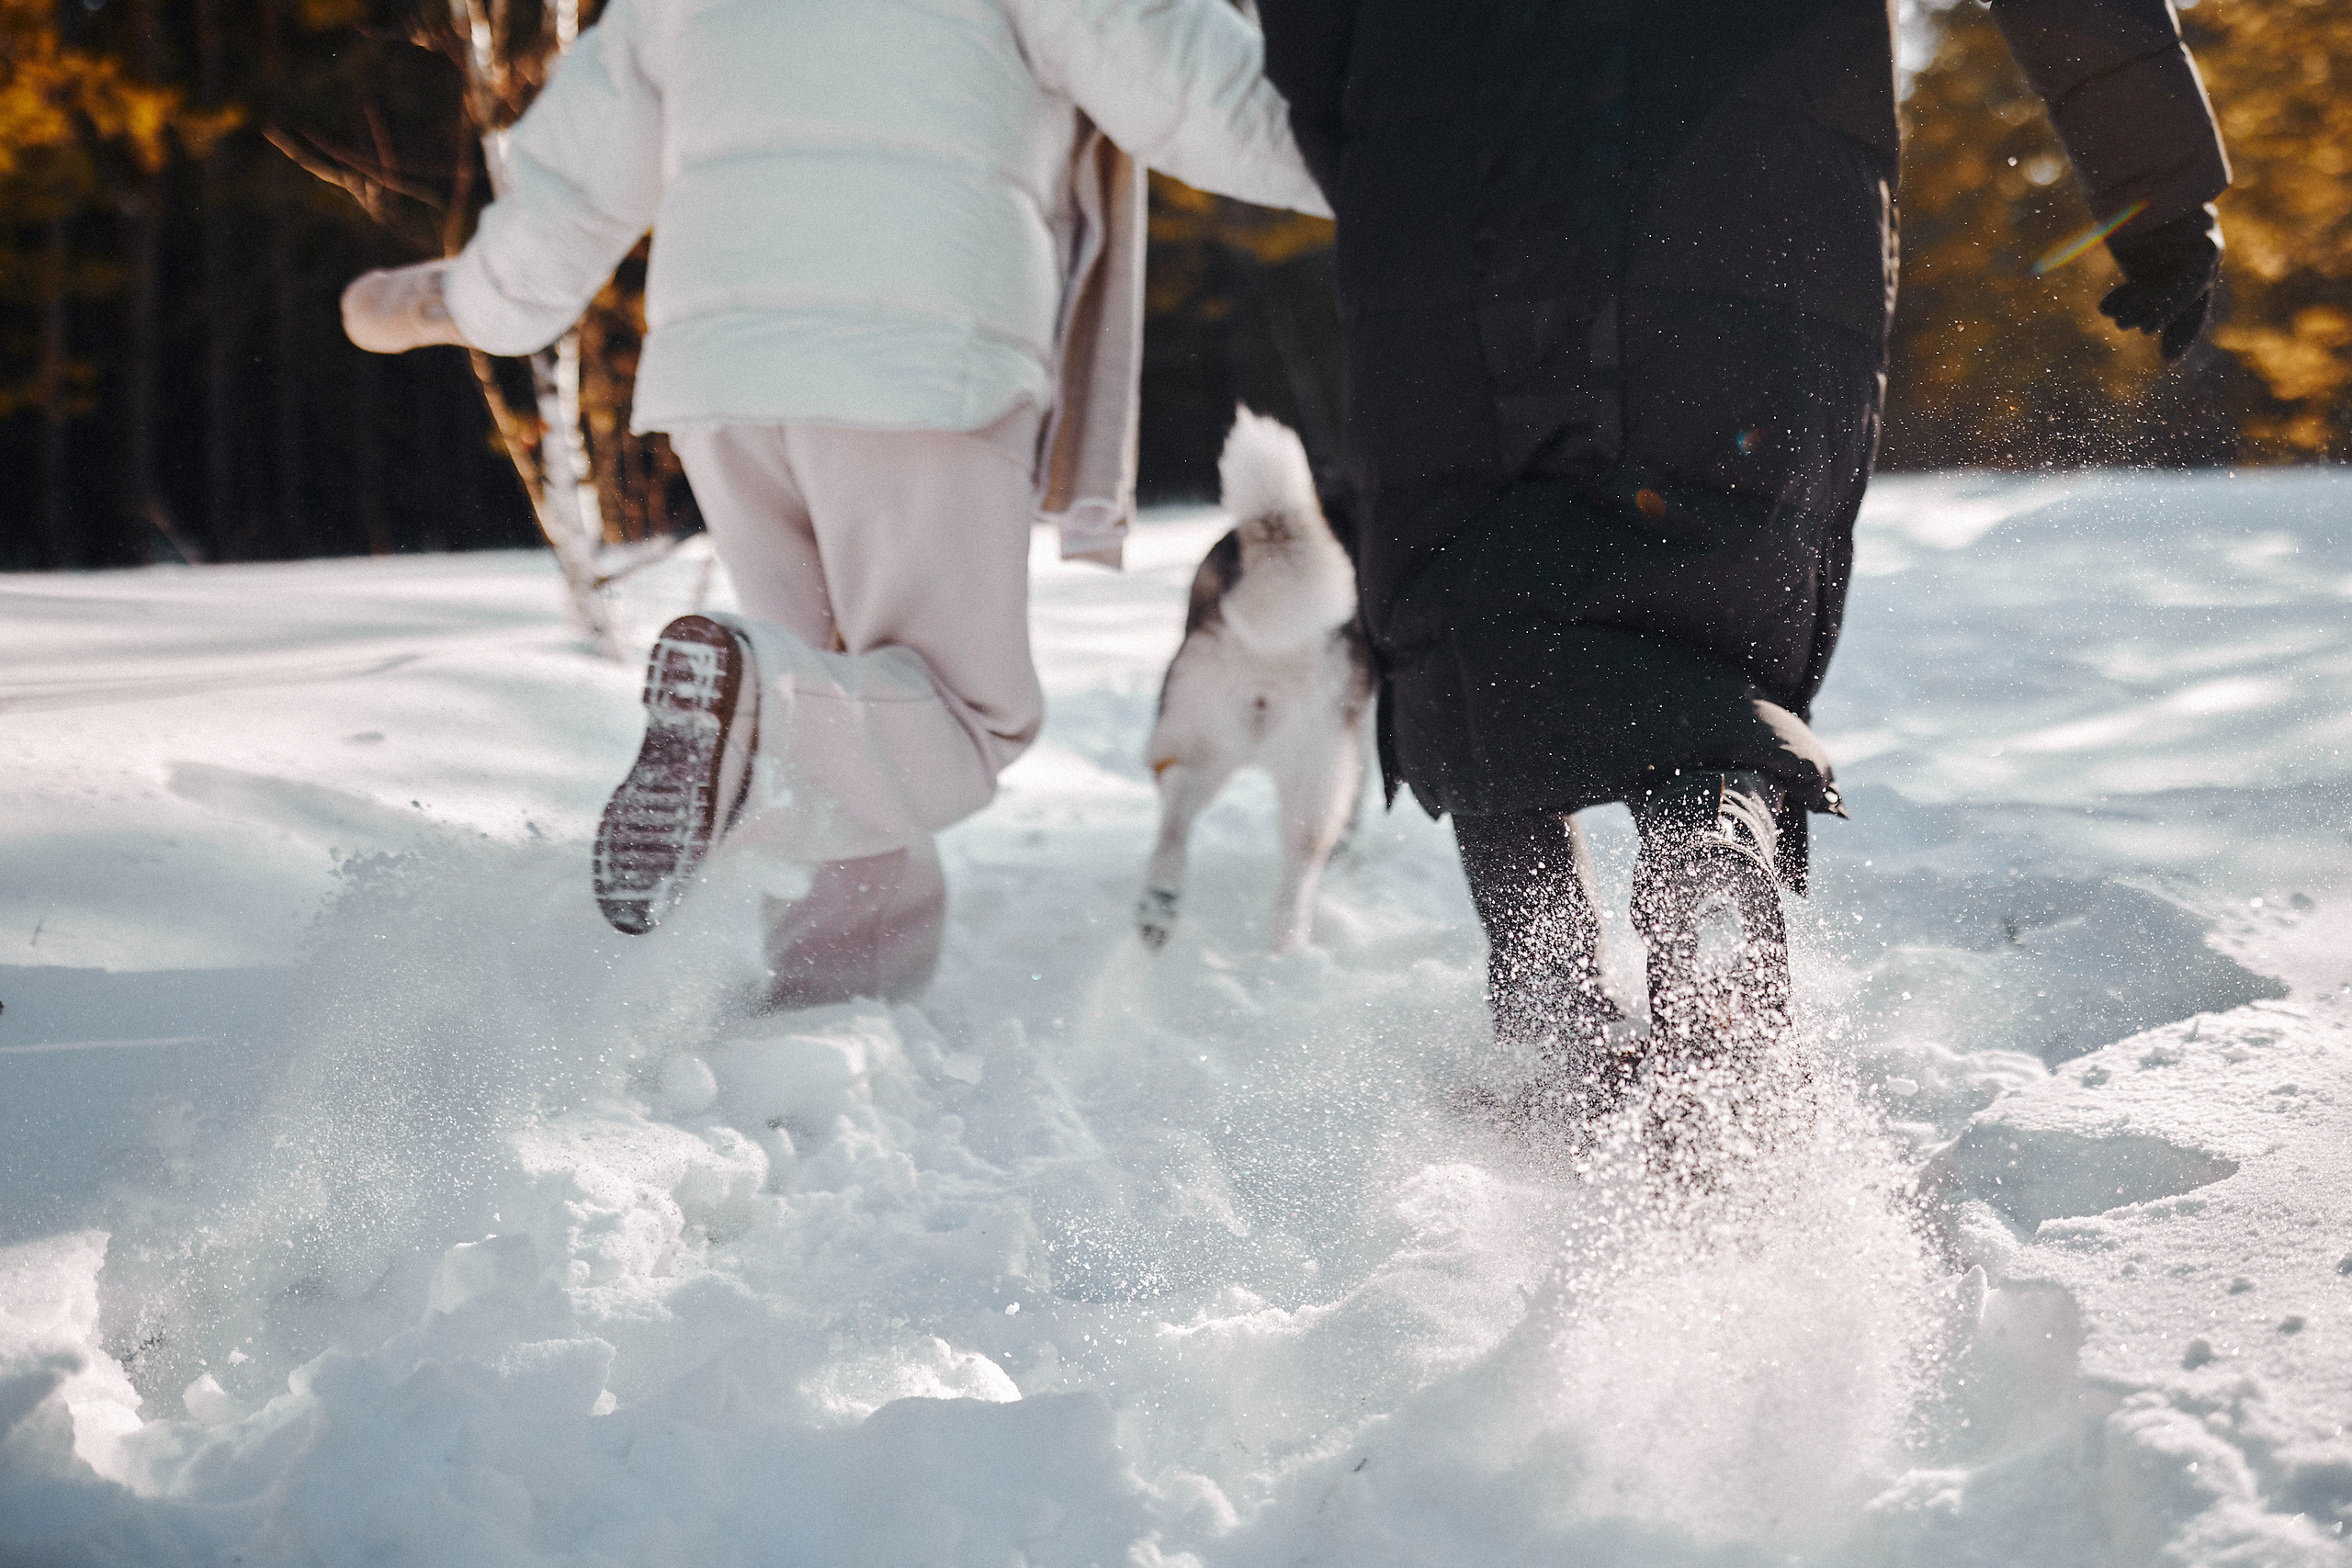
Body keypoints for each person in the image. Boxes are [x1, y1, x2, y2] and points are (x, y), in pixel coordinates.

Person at [1258, 0, 2228, 1126]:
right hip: (1748, 161)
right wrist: (2158, 192)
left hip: (1446, 155)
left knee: (1474, 599)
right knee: (1707, 585)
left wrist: (1377, 152)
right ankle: (1711, 851)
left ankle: (1551, 1035)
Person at [343, 0, 1329, 1006]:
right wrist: (1425, 166)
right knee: (955, 711)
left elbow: (577, 175)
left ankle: (830, 995)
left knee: (844, 692)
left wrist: (466, 299)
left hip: (725, 376)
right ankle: (763, 718)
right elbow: (1199, 92)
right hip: (923, 362)